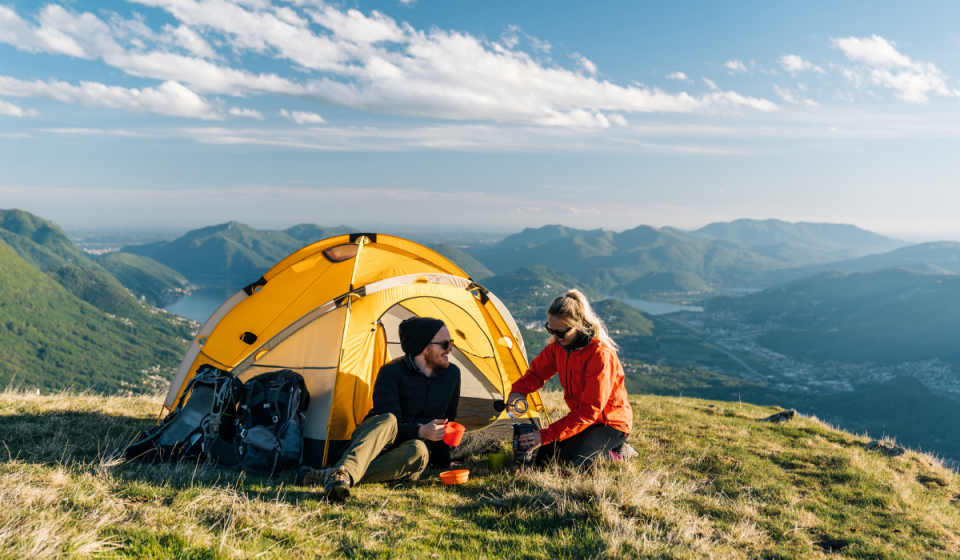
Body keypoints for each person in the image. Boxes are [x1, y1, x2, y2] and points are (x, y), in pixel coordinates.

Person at [296, 316, 461, 500]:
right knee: (389, 419)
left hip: (404, 455)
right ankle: (344, 471)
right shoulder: (391, 372)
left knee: (419, 450)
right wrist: (421, 430)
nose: (450, 349)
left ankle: (335, 476)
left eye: (451, 342)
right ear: (423, 347)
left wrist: (443, 465)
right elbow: (390, 426)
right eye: (445, 344)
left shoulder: (452, 374)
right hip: (374, 442)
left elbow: (448, 422)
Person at [507, 289, 634, 467]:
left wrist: (545, 435)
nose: (555, 337)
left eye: (560, 332)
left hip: (610, 423)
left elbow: (590, 410)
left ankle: (619, 452)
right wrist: (519, 391)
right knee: (544, 459)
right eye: (551, 330)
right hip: (584, 421)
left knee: (566, 463)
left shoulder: (600, 355)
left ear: (579, 324)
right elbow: (536, 373)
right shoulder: (559, 346)